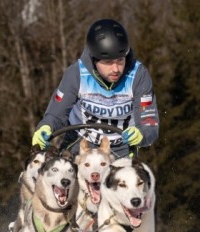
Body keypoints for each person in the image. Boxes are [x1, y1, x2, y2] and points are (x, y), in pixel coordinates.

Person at [31, 19, 159, 158]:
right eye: (108, 62)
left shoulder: (138, 75)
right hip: (80, 142)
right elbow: (56, 114)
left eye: (120, 60)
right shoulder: (76, 74)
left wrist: (141, 134)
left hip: (119, 147)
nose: (115, 69)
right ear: (94, 59)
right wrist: (46, 126)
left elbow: (149, 123)